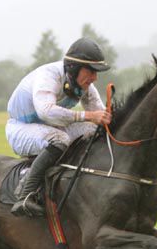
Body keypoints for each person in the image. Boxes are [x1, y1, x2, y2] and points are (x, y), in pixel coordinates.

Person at [6, 37, 112, 217]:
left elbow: (99, 115)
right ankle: (25, 196)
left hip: (50, 127)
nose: (94, 78)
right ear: (74, 68)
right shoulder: (49, 75)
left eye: (97, 72)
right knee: (60, 139)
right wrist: (87, 116)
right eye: (91, 71)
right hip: (21, 127)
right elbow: (46, 112)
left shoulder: (84, 85)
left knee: (95, 130)